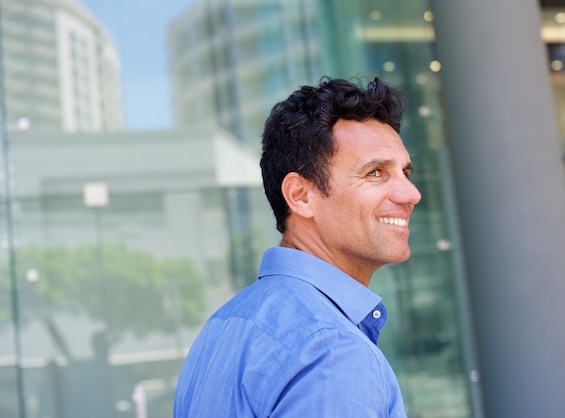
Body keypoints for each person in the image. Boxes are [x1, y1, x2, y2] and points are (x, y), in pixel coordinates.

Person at [173, 77, 422, 417]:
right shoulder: (332, 351)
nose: (410, 194)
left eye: (405, 172)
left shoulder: (225, 325)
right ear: (301, 196)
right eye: (376, 173)